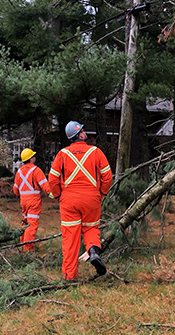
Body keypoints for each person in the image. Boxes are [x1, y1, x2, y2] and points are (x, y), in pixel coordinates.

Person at [48, 120, 112, 280]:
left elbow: (53, 179)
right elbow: (107, 176)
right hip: (92, 199)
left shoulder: (62, 154)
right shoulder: (96, 152)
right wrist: (102, 193)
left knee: (70, 237)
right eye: (83, 130)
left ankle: (70, 276)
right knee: (91, 229)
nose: (85, 132)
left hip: (69, 201)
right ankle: (92, 251)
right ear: (80, 134)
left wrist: (58, 195)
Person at [13, 148, 53, 252]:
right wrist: (54, 195)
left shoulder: (19, 171)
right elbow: (45, 186)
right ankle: (28, 249)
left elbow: (15, 189)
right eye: (33, 156)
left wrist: (20, 195)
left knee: (25, 222)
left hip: (23, 201)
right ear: (31, 159)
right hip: (34, 202)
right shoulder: (36, 170)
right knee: (31, 225)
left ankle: (22, 244)